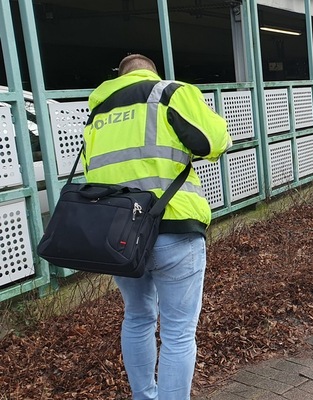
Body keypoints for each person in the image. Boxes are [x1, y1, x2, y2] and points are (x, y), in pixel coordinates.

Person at [82, 54, 231, 399]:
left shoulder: (97, 113)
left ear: (119, 76)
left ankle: (143, 396)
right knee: (178, 332)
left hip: (120, 238)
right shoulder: (169, 93)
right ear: (151, 72)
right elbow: (213, 142)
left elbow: (95, 175)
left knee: (137, 318)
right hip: (173, 227)